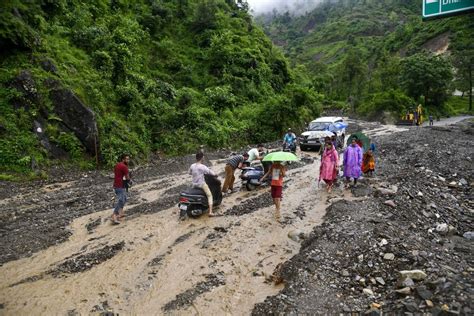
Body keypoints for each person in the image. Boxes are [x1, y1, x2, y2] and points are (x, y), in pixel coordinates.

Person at [189, 152, 217, 216]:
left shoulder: (192, 165)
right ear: (202, 158)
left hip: (194, 184)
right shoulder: (202, 166)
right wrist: (215, 174)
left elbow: (189, 173)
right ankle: (210, 212)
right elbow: (210, 172)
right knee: (209, 195)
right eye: (203, 157)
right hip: (201, 184)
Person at [112, 154, 130, 224]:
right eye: (126, 159)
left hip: (116, 184)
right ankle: (114, 215)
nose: (128, 160)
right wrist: (129, 182)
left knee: (124, 198)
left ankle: (121, 213)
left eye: (128, 159)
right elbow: (127, 177)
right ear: (123, 159)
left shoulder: (118, 165)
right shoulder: (124, 166)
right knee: (121, 200)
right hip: (120, 186)